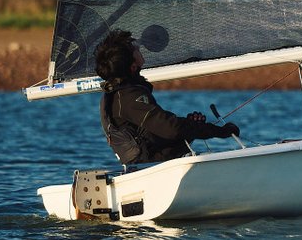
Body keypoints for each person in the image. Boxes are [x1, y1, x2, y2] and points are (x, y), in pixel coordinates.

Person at [94, 29, 240, 165]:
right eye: (135, 50)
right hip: (150, 168)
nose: (138, 48)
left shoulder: (119, 94)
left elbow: (159, 134)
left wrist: (191, 127)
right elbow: (171, 129)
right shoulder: (128, 97)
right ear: (132, 66)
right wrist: (222, 131)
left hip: (153, 163)